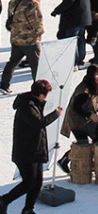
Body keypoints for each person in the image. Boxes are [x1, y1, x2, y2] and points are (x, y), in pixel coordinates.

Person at [1, 80, 61, 214]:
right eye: (45, 95)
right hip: (26, 152)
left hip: (36, 150)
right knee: (29, 183)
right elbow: (39, 123)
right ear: (40, 95)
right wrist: (55, 114)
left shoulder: (34, 103)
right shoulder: (26, 106)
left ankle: (28, 209)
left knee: (37, 182)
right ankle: (4, 201)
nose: (46, 98)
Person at [0, 0, 43, 94]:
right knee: (36, 66)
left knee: (13, 62)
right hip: (30, 40)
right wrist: (39, 34)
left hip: (15, 38)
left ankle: (4, 85)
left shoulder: (13, 0)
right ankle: (38, 90)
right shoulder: (32, 3)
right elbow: (37, 22)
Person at [59, 64, 98, 147]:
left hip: (87, 119)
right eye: (96, 74)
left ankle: (95, 156)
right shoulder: (83, 90)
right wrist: (90, 115)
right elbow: (77, 107)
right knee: (83, 145)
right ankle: (68, 158)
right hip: (77, 120)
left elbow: (93, 100)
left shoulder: (96, 86)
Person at [52, 0, 91, 69]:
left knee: (71, 41)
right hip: (84, 18)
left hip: (74, 18)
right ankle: (79, 61)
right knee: (80, 40)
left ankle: (73, 62)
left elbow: (69, 2)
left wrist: (56, 11)